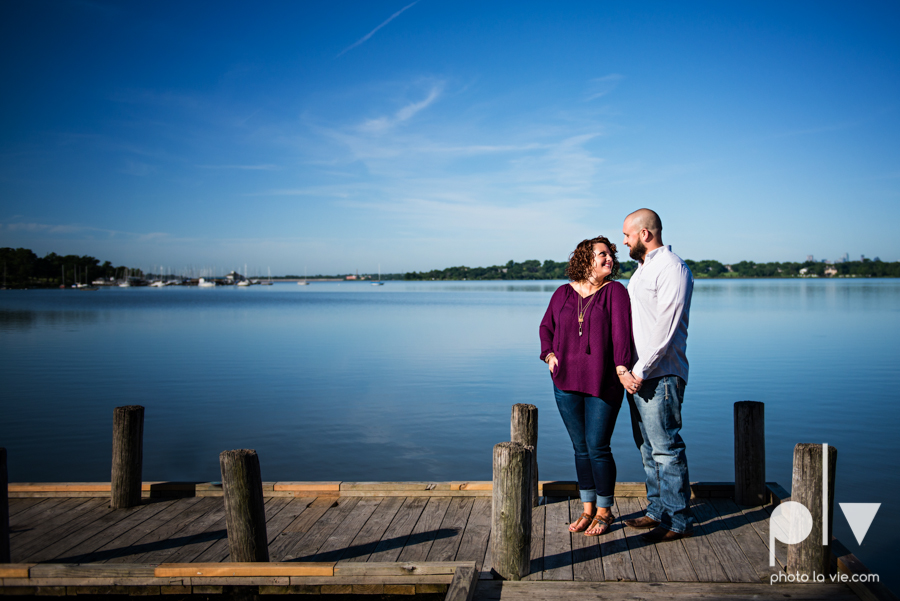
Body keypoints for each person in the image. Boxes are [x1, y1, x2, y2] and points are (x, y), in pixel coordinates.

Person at [539, 236, 634, 536]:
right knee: (580, 448)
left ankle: (605, 511)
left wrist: (622, 367)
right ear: (586, 259)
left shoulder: (615, 292)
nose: (610, 259)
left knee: (597, 447)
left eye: (611, 255)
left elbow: (622, 335)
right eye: (603, 254)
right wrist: (549, 355)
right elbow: (546, 327)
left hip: (603, 383)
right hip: (565, 382)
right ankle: (587, 508)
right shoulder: (562, 293)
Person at [618, 208, 695, 542]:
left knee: (666, 449)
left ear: (645, 234)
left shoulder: (672, 268)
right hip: (638, 375)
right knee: (648, 449)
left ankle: (678, 521)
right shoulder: (642, 270)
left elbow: (665, 328)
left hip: (659, 375)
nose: (624, 241)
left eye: (627, 235)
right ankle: (657, 510)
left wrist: (637, 371)